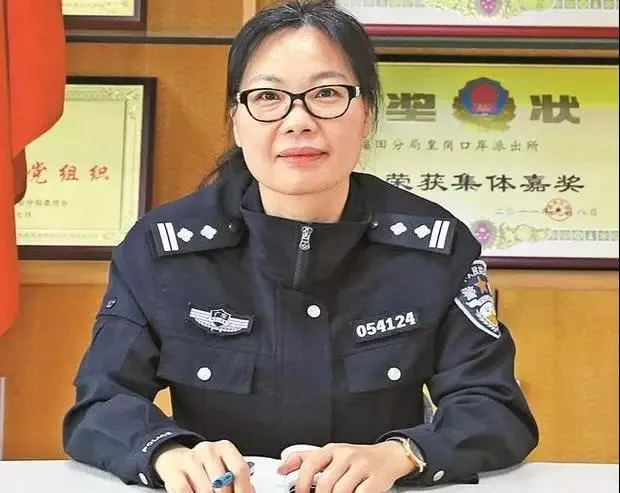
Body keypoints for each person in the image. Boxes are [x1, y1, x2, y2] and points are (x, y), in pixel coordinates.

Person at [62, 1, 538, 492]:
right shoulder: (161, 250)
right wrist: (167, 451)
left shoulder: (435, 248)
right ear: (237, 120)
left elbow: (494, 407)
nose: (298, 120)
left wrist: (404, 454)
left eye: (327, 93)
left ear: (367, 114)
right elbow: (101, 402)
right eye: (268, 97)